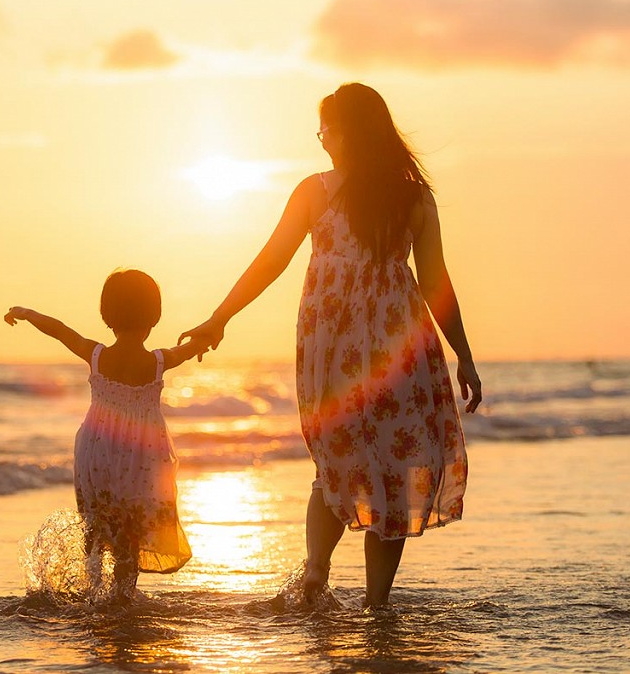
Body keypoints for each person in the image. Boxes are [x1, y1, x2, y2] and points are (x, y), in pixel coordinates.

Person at [179, 83, 482, 607]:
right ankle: (376, 605)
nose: (321, 139)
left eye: (325, 128)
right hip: (400, 348)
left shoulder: (316, 191)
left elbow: (271, 260)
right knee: (393, 466)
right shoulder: (412, 196)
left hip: (333, 346)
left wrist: (219, 318)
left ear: (347, 132)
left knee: (337, 461)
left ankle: (316, 575)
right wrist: (464, 356)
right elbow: (435, 281)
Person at [5, 269, 204, 602]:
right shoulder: (158, 361)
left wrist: (25, 313)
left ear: (106, 316)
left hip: (96, 453)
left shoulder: (96, 355)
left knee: (96, 525)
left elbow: (59, 330)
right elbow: (193, 347)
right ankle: (123, 595)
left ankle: (92, 590)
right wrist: (208, 335)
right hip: (140, 459)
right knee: (130, 532)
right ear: (154, 317)